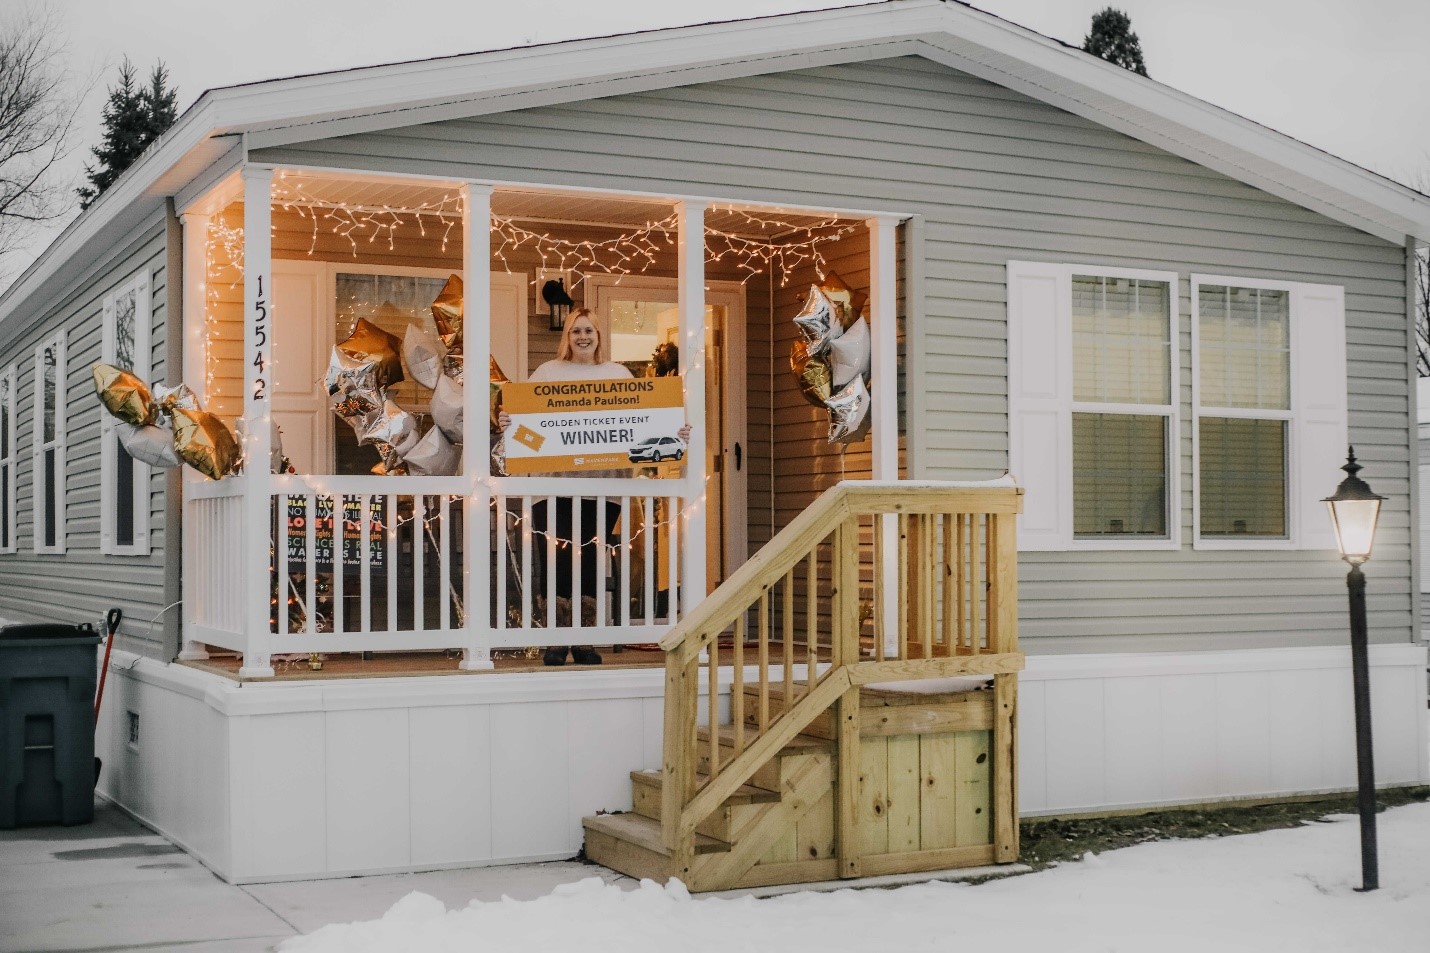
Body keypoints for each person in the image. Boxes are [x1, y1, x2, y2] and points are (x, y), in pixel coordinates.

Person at [499, 308, 690, 666]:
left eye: (588, 330)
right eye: (575, 331)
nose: (582, 337)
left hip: (601, 488)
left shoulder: (617, 375)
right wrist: (509, 419)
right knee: (554, 560)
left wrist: (673, 432)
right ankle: (556, 641)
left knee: (588, 561)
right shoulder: (547, 373)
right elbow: (524, 424)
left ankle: (584, 639)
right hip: (551, 487)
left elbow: (641, 425)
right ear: (566, 337)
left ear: (599, 335)